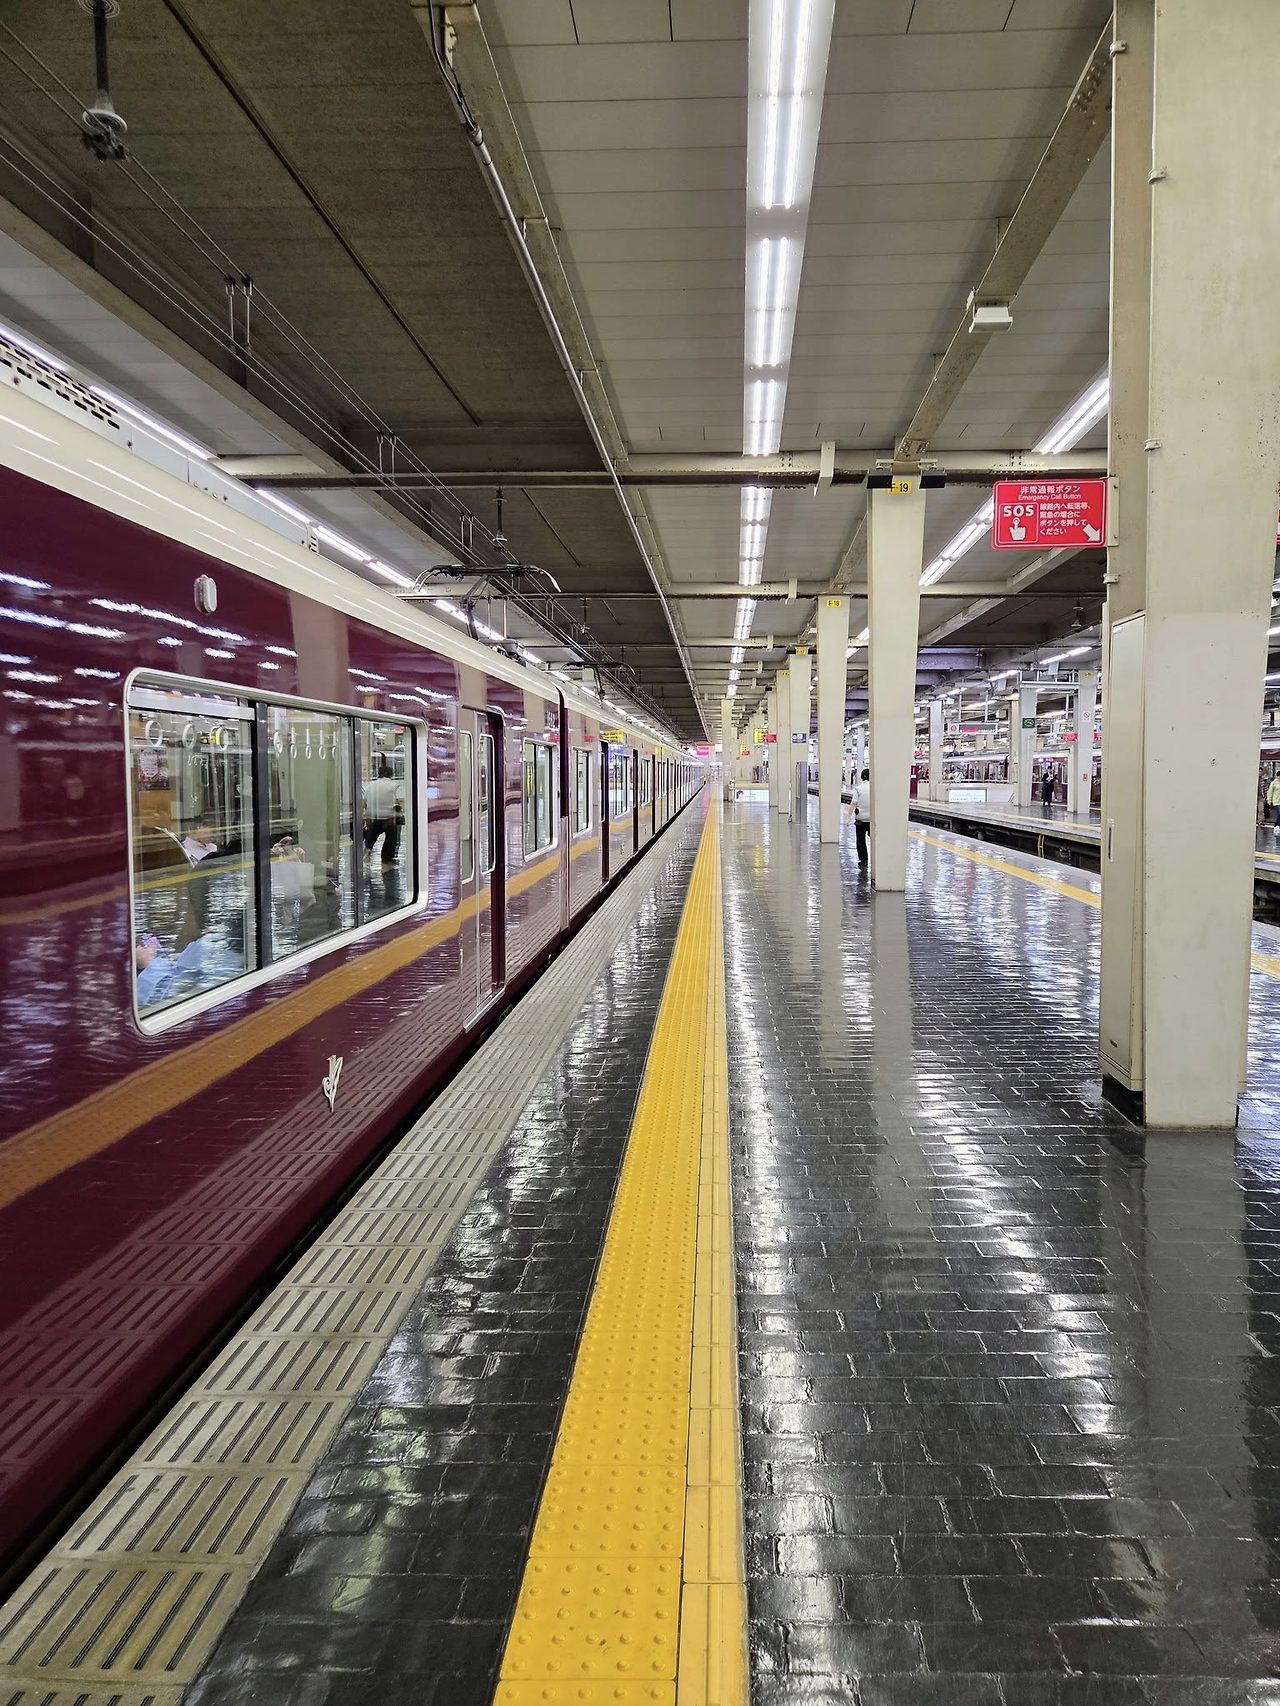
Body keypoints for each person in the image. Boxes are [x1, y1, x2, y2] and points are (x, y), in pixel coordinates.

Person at [363, 756, 401, 865]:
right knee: (391, 838)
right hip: (389, 818)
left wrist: (368, 814)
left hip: (372, 816)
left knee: (372, 835)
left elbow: (364, 802)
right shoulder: (394, 786)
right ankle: (387, 857)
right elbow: (399, 802)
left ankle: (367, 850)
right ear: (391, 775)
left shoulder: (370, 786)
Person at [853, 766, 871, 869]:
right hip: (873, 819)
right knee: (876, 839)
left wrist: (847, 816)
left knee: (860, 840)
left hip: (860, 819)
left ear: (862, 776)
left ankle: (864, 860)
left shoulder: (858, 789)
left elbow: (853, 803)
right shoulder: (875, 788)